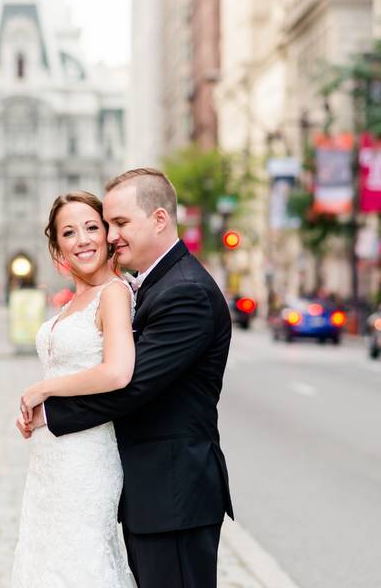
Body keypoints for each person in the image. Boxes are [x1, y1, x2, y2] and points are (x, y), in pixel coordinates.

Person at [17, 168, 234, 588]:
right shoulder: (150, 285)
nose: (111, 236)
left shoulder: (185, 291)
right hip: (146, 492)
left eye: (119, 223)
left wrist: (49, 407)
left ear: (158, 219)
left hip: (174, 494)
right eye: (108, 224)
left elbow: (131, 384)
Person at [11, 190, 137, 587]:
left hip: (88, 456)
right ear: (58, 247)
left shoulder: (114, 293)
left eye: (90, 228)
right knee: (46, 560)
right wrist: (38, 410)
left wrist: (44, 390)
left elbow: (117, 372)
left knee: (81, 562)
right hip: (50, 459)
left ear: (106, 235)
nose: (82, 239)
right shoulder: (71, 302)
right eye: (69, 232)